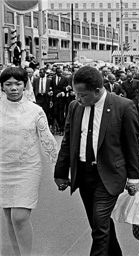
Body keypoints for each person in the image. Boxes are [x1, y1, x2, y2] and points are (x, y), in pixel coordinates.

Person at [54, 66, 139, 256]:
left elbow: (131, 145)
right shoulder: (75, 107)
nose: (78, 98)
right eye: (76, 94)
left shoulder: (123, 106)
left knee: (99, 227)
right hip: (84, 175)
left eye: (82, 95)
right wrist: (60, 173)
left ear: (97, 90)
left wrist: (133, 178)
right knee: (99, 223)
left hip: (109, 175)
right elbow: (68, 142)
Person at [0, 67, 58, 256]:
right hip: (3, 168)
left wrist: (58, 168)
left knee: (19, 217)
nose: (13, 88)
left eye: (18, 84)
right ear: (2, 87)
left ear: (25, 85)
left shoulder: (35, 111)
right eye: (8, 84)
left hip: (27, 168)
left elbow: (47, 140)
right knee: (9, 216)